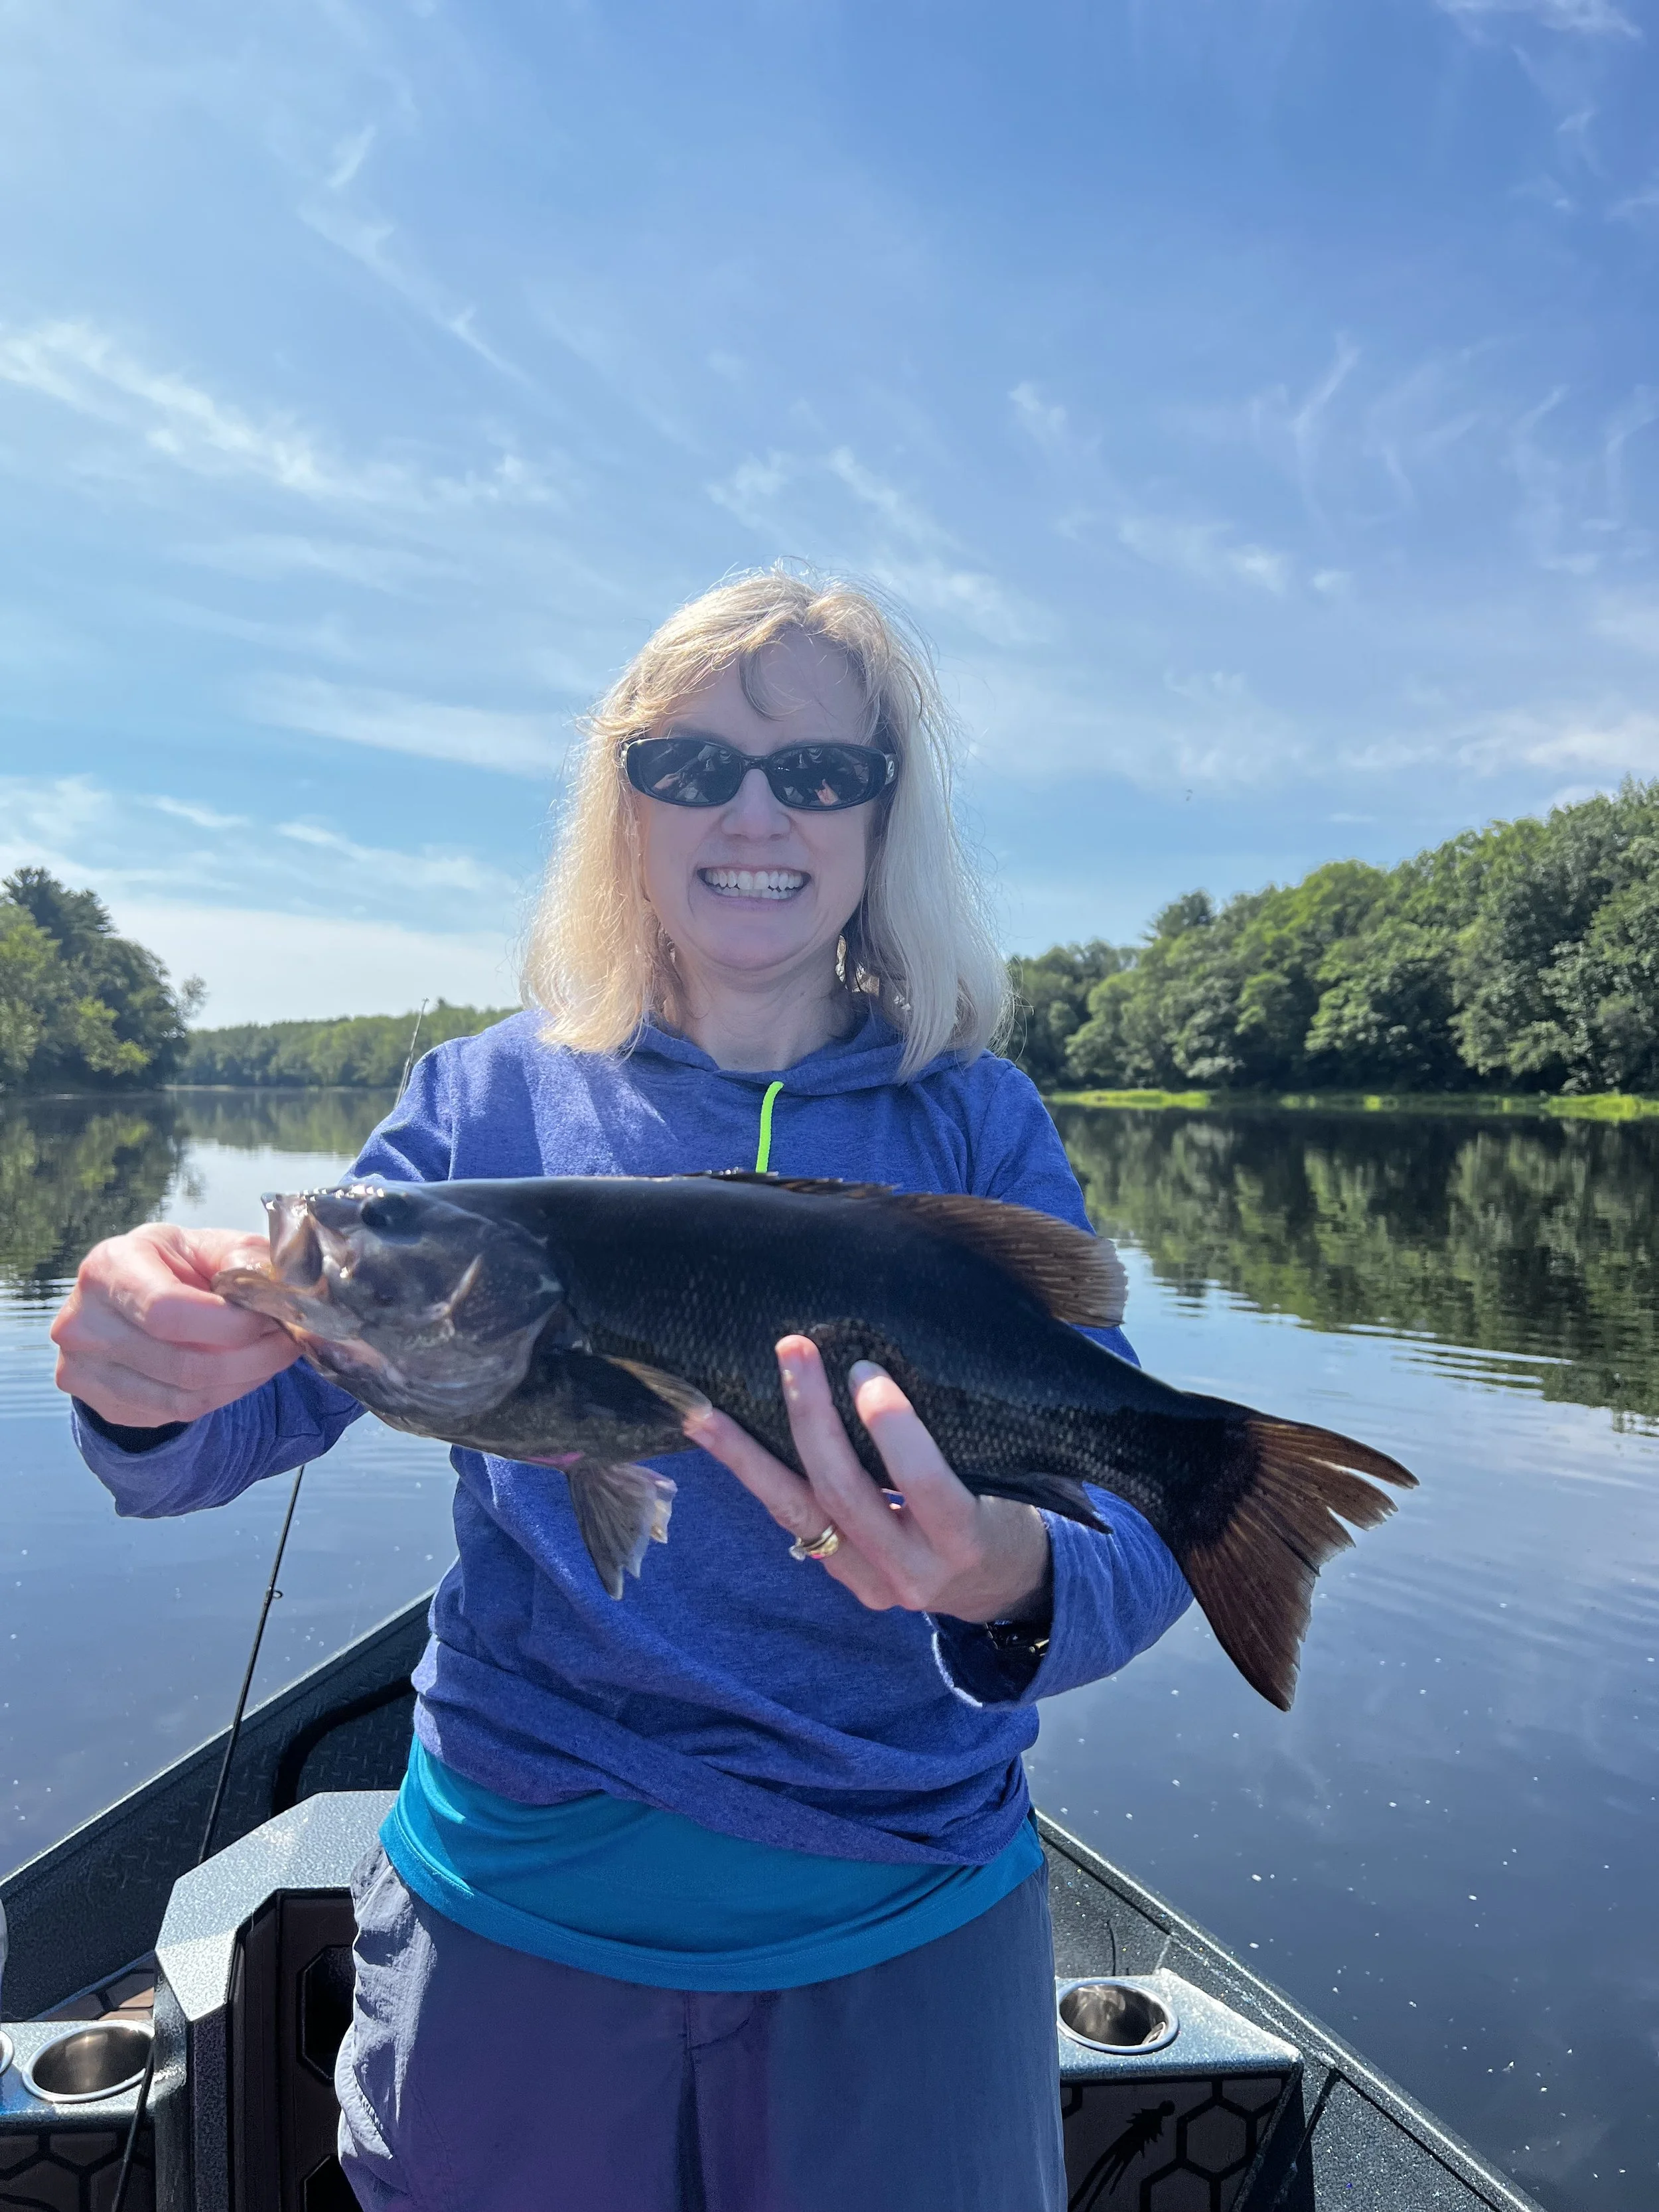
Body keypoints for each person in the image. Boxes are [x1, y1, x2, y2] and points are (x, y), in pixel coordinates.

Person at [52, 569, 1190, 2212]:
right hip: (514, 1895)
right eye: (691, 763)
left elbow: (1136, 1539)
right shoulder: (478, 1102)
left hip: (903, 1904)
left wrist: (1003, 1577)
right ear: (625, 801)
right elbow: (204, 1443)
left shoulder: (973, 1120)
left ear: (881, 817)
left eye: (818, 772)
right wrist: (142, 1368)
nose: (755, 811)